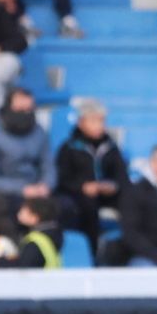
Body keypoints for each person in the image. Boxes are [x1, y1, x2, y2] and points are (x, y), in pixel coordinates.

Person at [54, 99, 127, 252]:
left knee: (132, 198)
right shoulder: (69, 148)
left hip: (105, 193)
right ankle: (91, 253)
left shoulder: (110, 147)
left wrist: (113, 185)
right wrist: (82, 187)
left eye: (101, 120)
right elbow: (62, 179)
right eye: (93, 120)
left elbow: (121, 175)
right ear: (81, 122)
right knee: (87, 205)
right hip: (78, 194)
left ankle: (127, 248)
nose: (99, 125)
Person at [0, 88, 55, 203]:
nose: (25, 114)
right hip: (6, 193)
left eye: (29, 109)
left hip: (38, 191)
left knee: (66, 206)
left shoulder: (39, 131)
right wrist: (21, 189)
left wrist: (46, 185)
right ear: (7, 108)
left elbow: (48, 165)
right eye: (20, 110)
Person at [0, 196, 65, 268]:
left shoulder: (36, 241)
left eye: (24, 210)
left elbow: (24, 266)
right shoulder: (54, 234)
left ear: (34, 218)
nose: (19, 213)